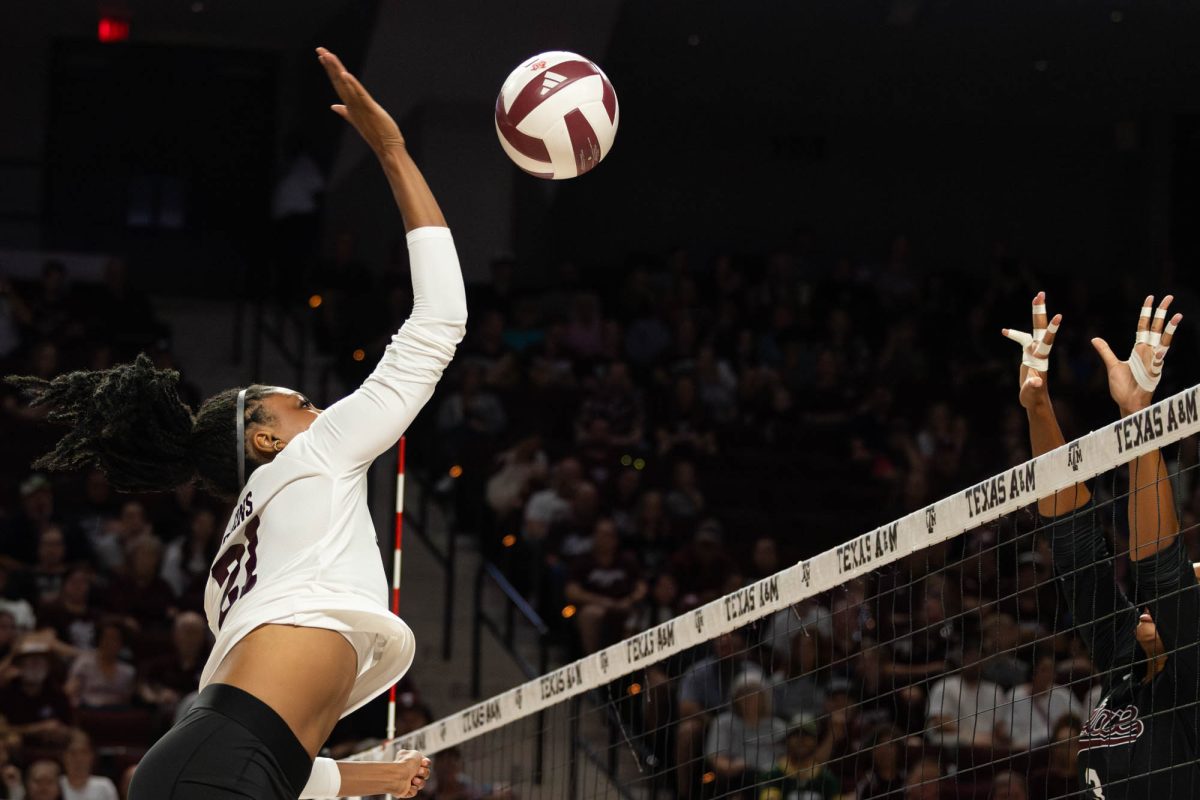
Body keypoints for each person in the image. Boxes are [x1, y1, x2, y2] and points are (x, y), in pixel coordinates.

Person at [5, 48, 457, 799]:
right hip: (214, 764)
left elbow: (270, 754)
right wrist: (392, 150)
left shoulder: (240, 572)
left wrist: (372, 777)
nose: (322, 411)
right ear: (268, 437)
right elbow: (439, 319)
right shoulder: (314, 461)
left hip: (211, 762)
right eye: (301, 405)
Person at [1009, 292, 1200, 798]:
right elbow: (1074, 547)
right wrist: (1039, 407)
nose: (1162, 603)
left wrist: (1138, 418)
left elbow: (1161, 571)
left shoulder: (1191, 680)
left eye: (1190, 586)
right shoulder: (1123, 659)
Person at [64, 619, 136, 708]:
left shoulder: (128, 671)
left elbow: (127, 700)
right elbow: (70, 691)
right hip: (88, 711)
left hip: (116, 715)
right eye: (106, 638)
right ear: (99, 639)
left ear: (121, 643)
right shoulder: (85, 663)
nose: (110, 643)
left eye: (115, 639)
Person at [60, 729, 119, 800]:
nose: (79, 759)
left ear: (92, 756)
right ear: (64, 756)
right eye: (73, 753)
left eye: (84, 752)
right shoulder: (57, 785)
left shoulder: (105, 786)